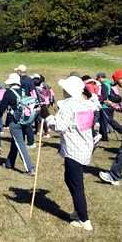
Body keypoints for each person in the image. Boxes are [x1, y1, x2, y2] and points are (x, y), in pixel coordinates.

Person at [46, 76, 96, 232]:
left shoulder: (69, 106)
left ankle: (84, 219)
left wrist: (48, 118)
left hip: (74, 148)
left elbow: (59, 126)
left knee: (76, 184)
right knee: (70, 179)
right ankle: (78, 210)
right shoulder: (87, 102)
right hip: (84, 146)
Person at [0, 73, 35, 175]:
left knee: (20, 144)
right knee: (16, 142)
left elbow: (2, 108)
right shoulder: (24, 91)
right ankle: (9, 163)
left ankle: (29, 168)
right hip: (25, 120)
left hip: (14, 122)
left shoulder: (8, 92)